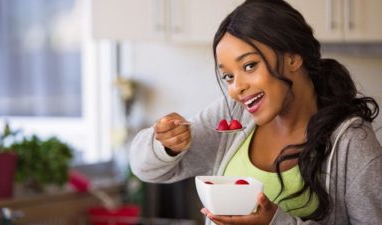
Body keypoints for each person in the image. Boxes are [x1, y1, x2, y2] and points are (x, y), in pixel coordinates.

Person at [129, 0, 382, 224]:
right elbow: (147, 169)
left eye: (249, 66)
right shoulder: (233, 117)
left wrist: (276, 222)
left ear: (293, 58)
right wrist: (166, 144)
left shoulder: (352, 142)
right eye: (228, 76)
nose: (236, 89)